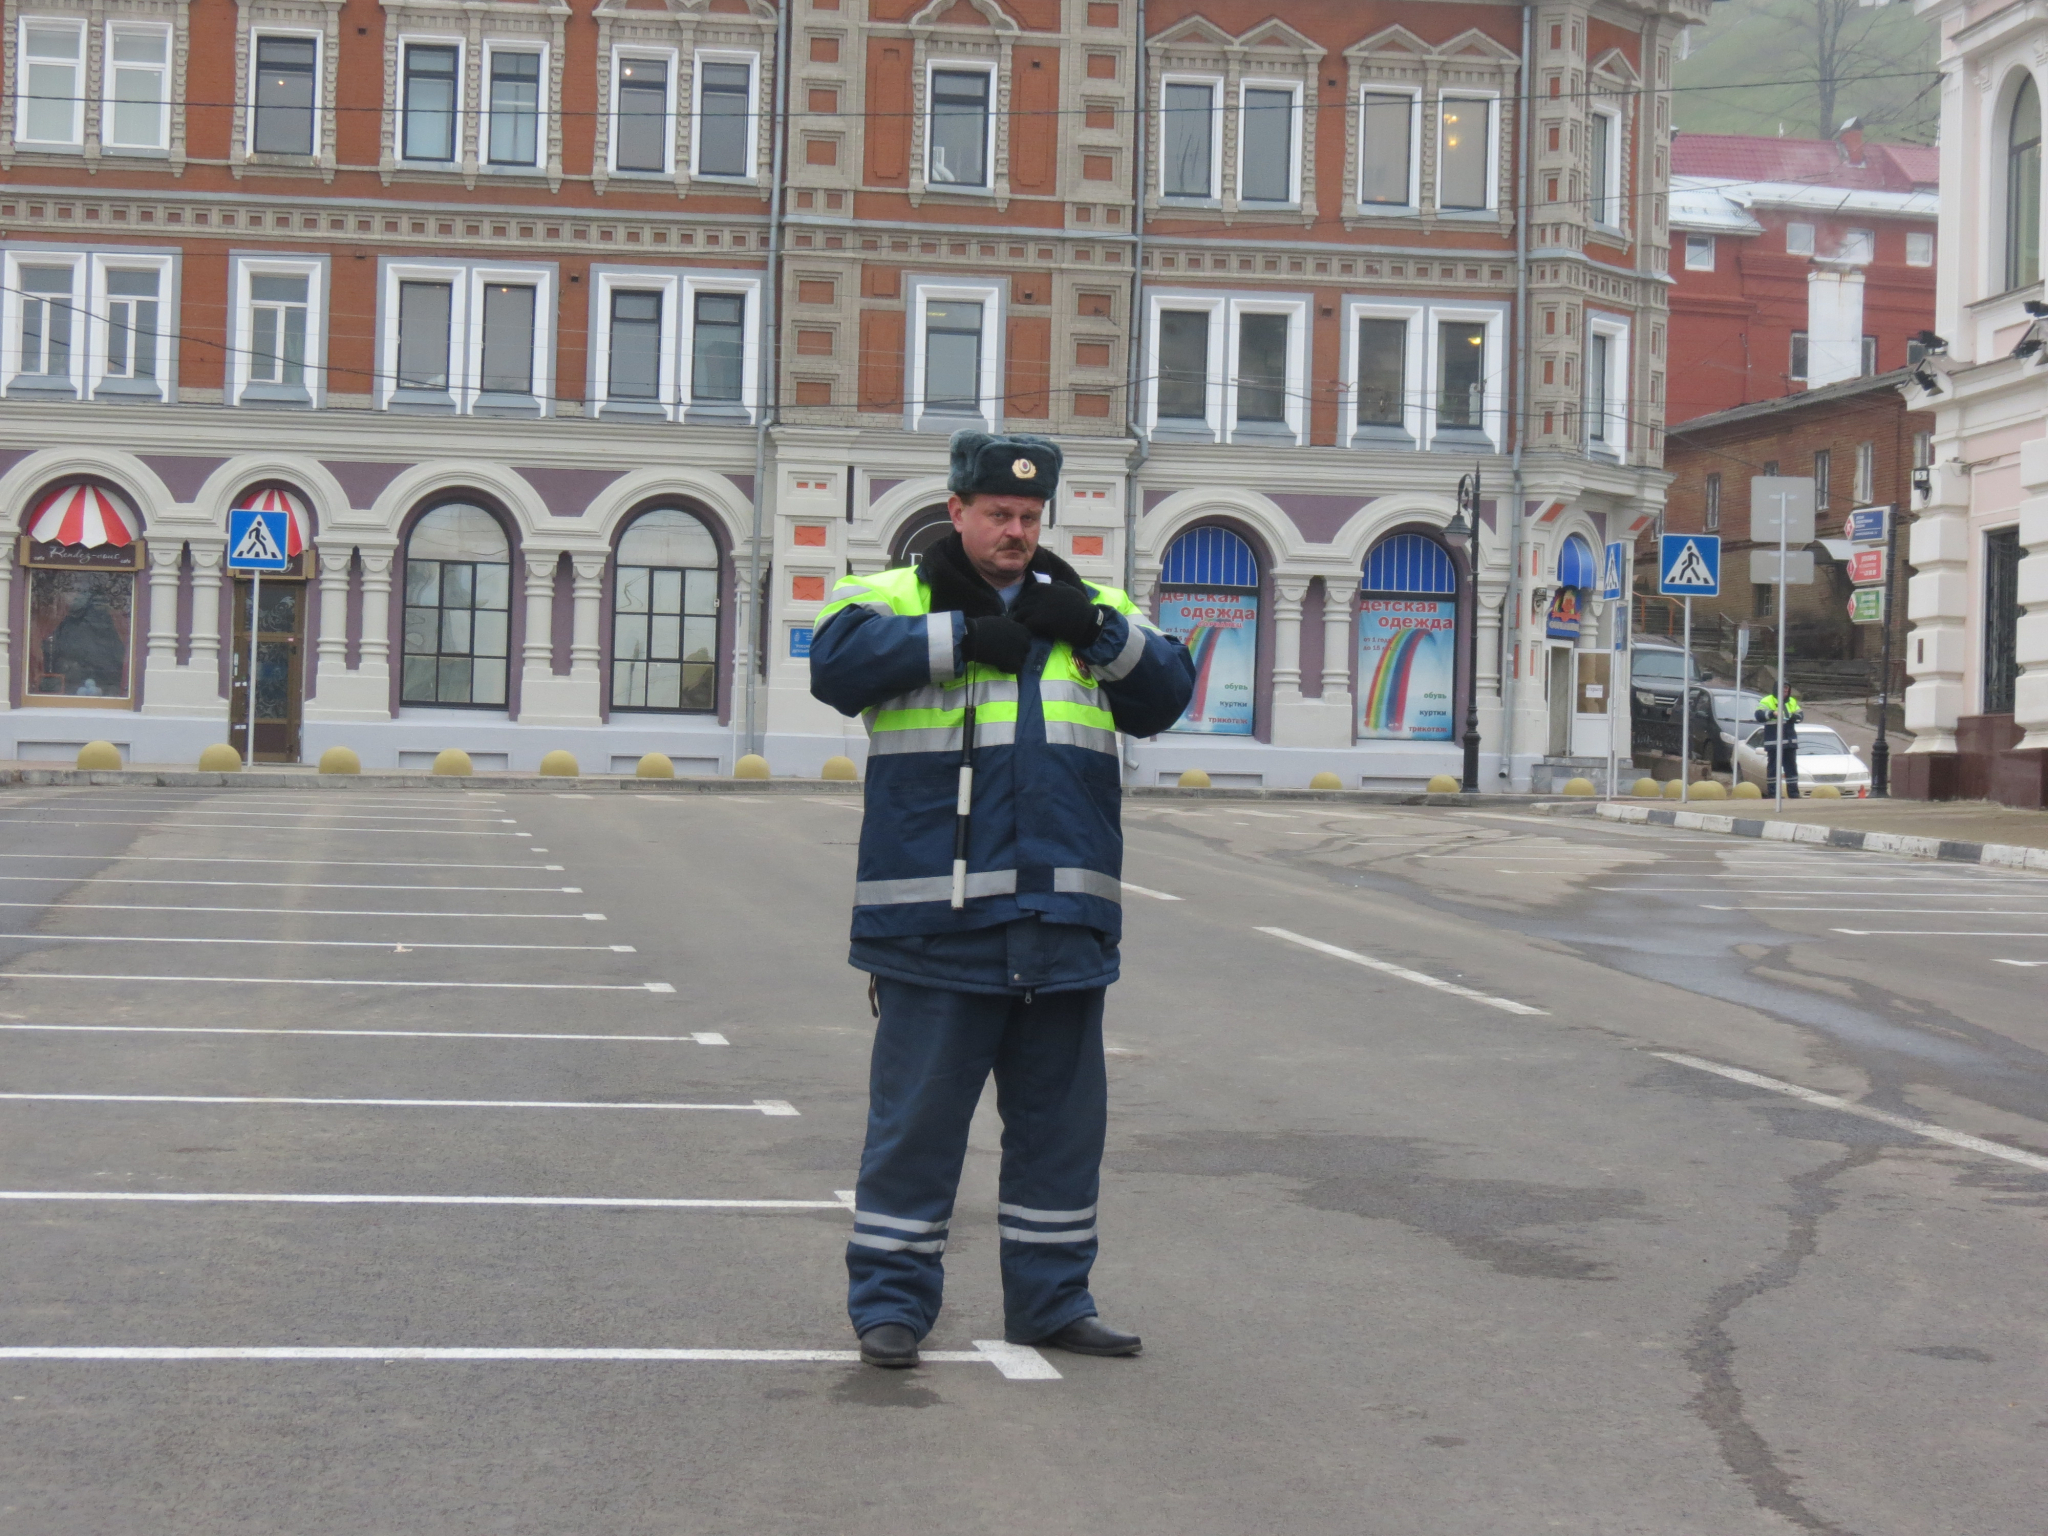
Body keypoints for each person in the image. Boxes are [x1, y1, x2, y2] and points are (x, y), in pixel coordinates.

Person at [809, 428, 1196, 1370]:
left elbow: (1168, 690)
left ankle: (1054, 1301)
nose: (1015, 531)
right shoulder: (895, 596)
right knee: (916, 1135)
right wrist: (957, 638)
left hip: (1062, 926)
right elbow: (836, 665)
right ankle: (891, 1307)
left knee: (1061, 1139)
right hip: (933, 927)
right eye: (997, 515)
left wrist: (1096, 633)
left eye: (1028, 517)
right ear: (957, 512)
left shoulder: (1090, 608)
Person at [1755, 687, 1803, 796]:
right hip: (1774, 742)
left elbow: (1801, 715)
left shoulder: (1792, 701)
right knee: (1773, 770)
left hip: (1789, 742)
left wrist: (1794, 717)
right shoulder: (1767, 700)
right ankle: (1774, 794)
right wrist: (1772, 713)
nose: (1785, 693)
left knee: (1791, 770)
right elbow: (1759, 715)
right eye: (1782, 691)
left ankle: (1794, 794)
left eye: (1786, 691)